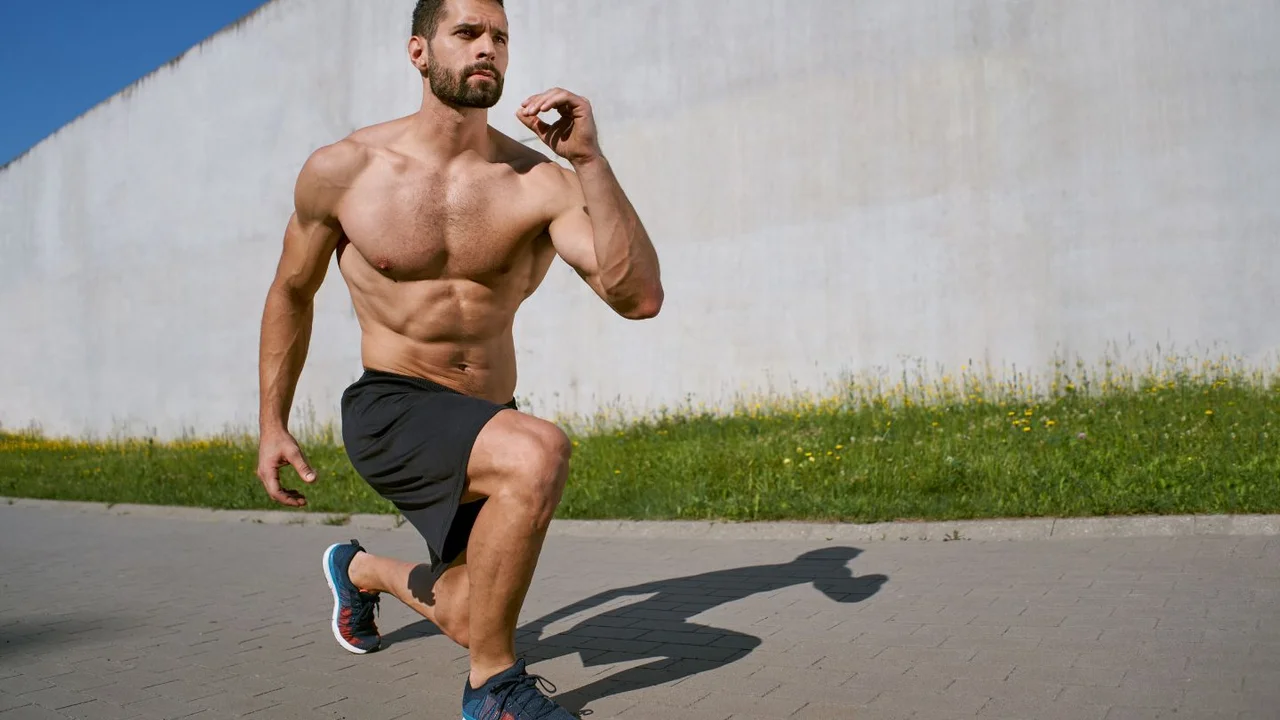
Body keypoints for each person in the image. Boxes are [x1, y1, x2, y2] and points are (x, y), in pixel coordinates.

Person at [253, 0, 663, 717]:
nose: (487, 49)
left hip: (484, 418)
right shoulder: (344, 169)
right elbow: (292, 291)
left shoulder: (539, 182)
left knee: (477, 618)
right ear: (419, 51)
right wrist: (272, 423)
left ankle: (362, 571)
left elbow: (638, 298)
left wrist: (590, 161)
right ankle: (493, 692)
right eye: (468, 33)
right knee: (539, 453)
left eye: (499, 37)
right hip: (392, 404)